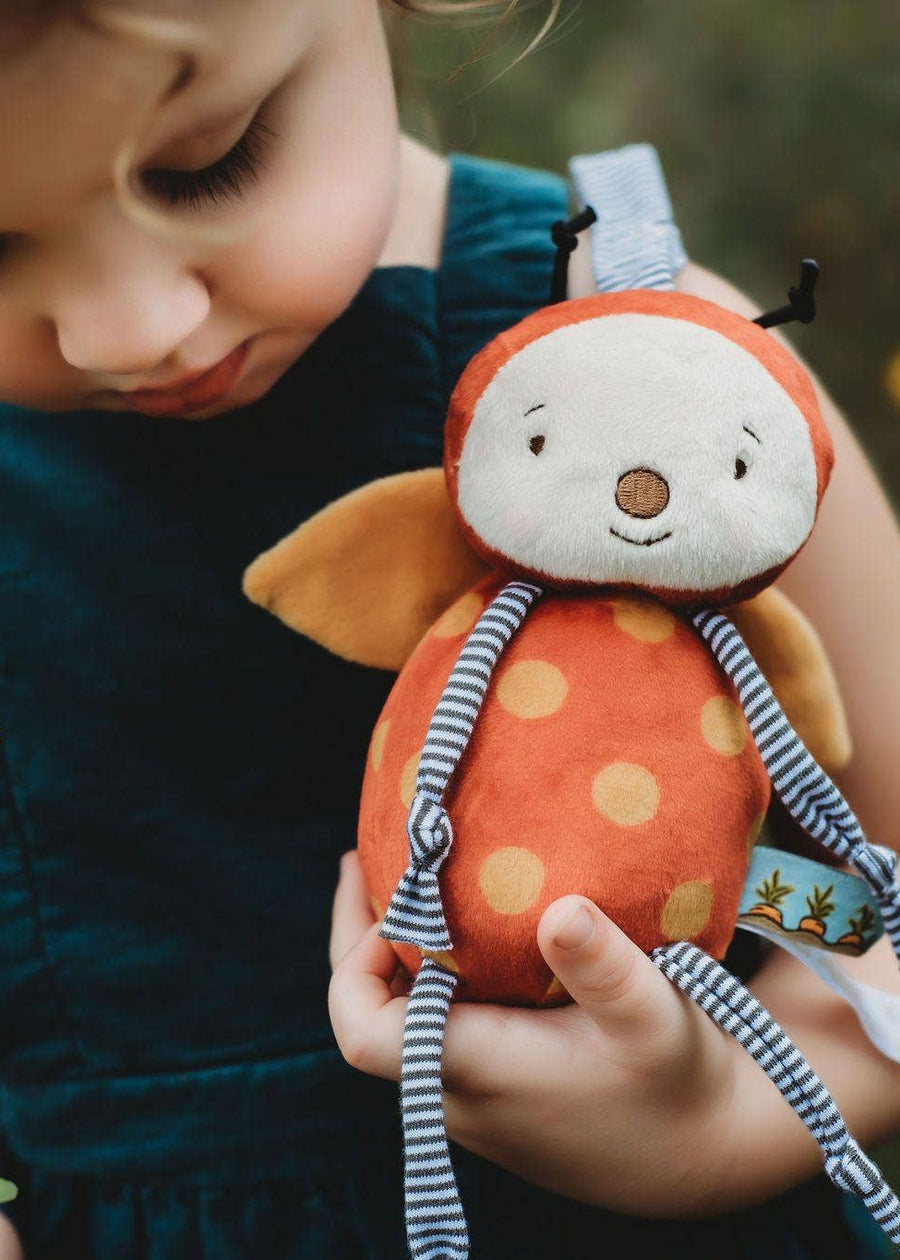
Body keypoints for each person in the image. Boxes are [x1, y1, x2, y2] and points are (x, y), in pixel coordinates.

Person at [0, 1, 897, 1257]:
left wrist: (717, 1124)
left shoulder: (660, 372)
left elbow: (878, 907)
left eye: (211, 160)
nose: (130, 326)